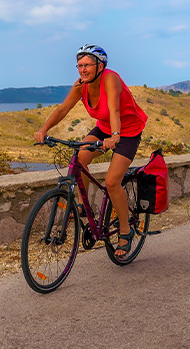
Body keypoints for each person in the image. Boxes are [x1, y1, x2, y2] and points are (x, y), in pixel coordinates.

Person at [34, 44, 148, 258]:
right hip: (104, 128)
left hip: (127, 132)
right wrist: (43, 130)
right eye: (79, 65)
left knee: (113, 182)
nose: (82, 69)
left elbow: (114, 108)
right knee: (78, 160)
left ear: (100, 65)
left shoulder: (110, 79)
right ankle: (81, 206)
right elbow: (62, 109)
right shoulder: (81, 85)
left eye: (87, 65)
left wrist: (115, 135)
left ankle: (126, 229)